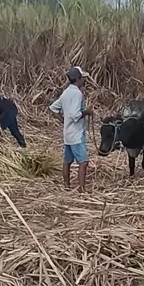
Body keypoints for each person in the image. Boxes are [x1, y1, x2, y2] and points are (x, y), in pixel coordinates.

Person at [49, 65, 93, 193]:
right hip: (76, 134)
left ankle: (67, 187)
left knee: (67, 161)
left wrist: (64, 121)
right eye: (82, 78)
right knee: (83, 162)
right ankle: (82, 191)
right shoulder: (77, 94)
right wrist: (87, 112)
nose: (83, 80)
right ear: (78, 79)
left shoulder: (66, 93)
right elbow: (75, 115)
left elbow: (53, 108)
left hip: (67, 133)